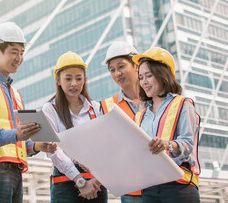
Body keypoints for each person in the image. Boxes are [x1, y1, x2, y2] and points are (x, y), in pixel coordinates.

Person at [0, 22, 56, 203]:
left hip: (14, 172)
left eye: (21, 53)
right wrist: (15, 134)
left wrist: (37, 146)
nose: (19, 58)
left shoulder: (14, 93)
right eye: (14, 52)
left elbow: (18, 140)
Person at [132, 47, 200, 203]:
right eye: (141, 77)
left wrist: (167, 145)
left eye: (149, 76)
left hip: (179, 187)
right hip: (150, 189)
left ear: (163, 75)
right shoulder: (140, 116)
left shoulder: (182, 104)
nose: (144, 82)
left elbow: (188, 144)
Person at [43, 51, 108, 203]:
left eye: (79, 78)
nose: (74, 83)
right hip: (65, 186)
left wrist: (96, 182)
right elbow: (53, 151)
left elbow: (105, 147)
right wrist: (80, 181)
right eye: (68, 78)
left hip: (96, 186)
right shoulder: (50, 110)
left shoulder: (96, 108)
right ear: (58, 80)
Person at [99, 41, 143, 203]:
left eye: (121, 66)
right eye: (112, 70)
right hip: (131, 189)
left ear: (136, 65)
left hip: (162, 186)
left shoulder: (157, 99)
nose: (117, 73)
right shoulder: (106, 107)